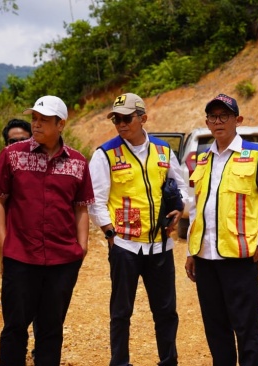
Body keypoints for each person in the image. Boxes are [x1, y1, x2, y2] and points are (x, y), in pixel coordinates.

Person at [0, 95, 94, 365]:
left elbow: (81, 207)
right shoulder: (13, 155)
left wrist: (82, 247)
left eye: (44, 120)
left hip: (62, 260)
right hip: (20, 257)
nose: (36, 124)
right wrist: (4, 246)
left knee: (51, 329)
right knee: (14, 327)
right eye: (34, 118)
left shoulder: (78, 162)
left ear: (61, 124)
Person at [184, 93, 258, 365]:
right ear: (207, 122)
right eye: (213, 117)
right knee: (216, 330)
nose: (218, 122)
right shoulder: (203, 159)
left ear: (237, 120)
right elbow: (196, 209)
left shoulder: (255, 155)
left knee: (247, 330)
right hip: (206, 259)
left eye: (224, 116)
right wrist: (191, 251)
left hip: (240, 259)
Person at [89, 92, 187, 366]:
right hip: (125, 247)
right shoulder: (105, 154)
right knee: (121, 312)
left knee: (166, 311)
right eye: (116, 119)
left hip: (160, 245)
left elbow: (181, 186)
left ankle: (169, 361)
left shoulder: (164, 151)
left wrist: (180, 209)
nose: (120, 124)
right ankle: (119, 362)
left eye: (126, 118)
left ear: (143, 118)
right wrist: (110, 234)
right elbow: (95, 200)